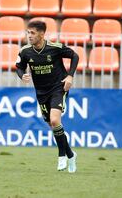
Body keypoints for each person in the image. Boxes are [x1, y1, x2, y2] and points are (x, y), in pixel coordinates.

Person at [16, 21, 78, 173]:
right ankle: (71, 154)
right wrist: (21, 75)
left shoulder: (55, 48)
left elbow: (74, 56)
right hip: (41, 92)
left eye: (32, 33)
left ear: (42, 34)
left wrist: (70, 76)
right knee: (53, 125)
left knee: (55, 120)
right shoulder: (25, 51)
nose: (29, 36)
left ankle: (61, 156)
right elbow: (18, 66)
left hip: (59, 87)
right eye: (27, 32)